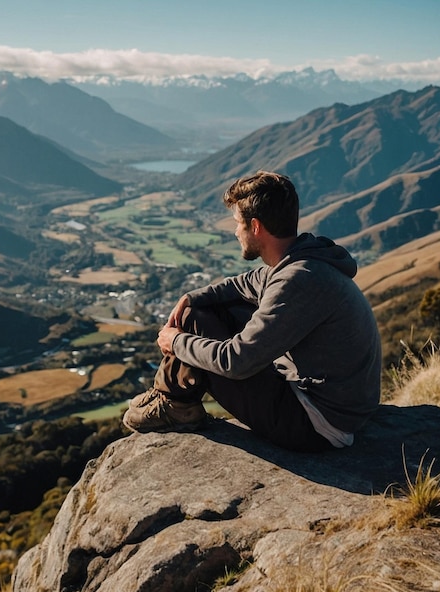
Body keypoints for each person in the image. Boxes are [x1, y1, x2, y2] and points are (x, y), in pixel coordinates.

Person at [122, 170, 382, 452]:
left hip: (317, 424)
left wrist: (175, 341)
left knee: (195, 321)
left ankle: (175, 404)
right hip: (332, 404)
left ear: (255, 227)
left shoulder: (298, 281)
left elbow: (236, 362)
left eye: (238, 223)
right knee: (198, 309)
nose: (235, 232)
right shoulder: (301, 261)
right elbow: (245, 283)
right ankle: (172, 398)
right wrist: (190, 297)